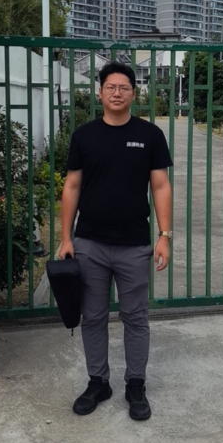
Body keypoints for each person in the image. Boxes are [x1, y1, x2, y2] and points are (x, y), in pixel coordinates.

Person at [59, 62, 173, 420]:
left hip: (134, 244)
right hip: (89, 244)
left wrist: (164, 236)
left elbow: (161, 186)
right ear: (100, 92)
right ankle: (98, 382)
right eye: (111, 87)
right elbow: (72, 186)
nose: (117, 93)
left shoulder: (150, 135)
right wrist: (65, 237)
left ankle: (135, 384)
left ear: (134, 94)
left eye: (124, 87)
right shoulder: (84, 136)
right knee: (92, 317)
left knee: (135, 317)